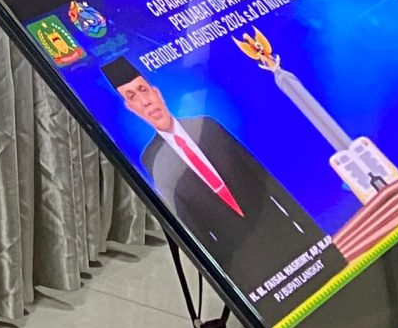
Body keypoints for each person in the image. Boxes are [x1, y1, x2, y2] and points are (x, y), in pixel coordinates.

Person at [103, 58, 331, 293]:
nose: (145, 101)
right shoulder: (152, 159)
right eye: (132, 97)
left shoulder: (207, 126)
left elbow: (263, 177)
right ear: (131, 108)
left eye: (143, 89)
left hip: (284, 233)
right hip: (243, 260)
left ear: (156, 92)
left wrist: (315, 235)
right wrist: (228, 278)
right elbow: (191, 222)